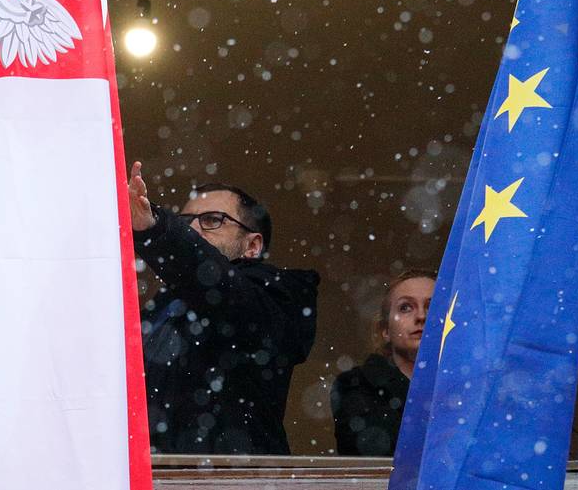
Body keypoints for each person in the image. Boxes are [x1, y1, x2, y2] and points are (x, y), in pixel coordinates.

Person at [128, 161, 320, 455]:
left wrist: (155, 229)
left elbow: (224, 295)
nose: (193, 229)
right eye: (186, 221)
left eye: (212, 220)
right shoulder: (159, 308)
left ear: (252, 245)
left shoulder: (281, 292)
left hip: (235, 479)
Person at [330, 269, 437, 456]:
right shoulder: (355, 385)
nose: (421, 316)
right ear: (385, 330)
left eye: (433, 307)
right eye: (405, 307)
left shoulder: (470, 386)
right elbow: (373, 452)